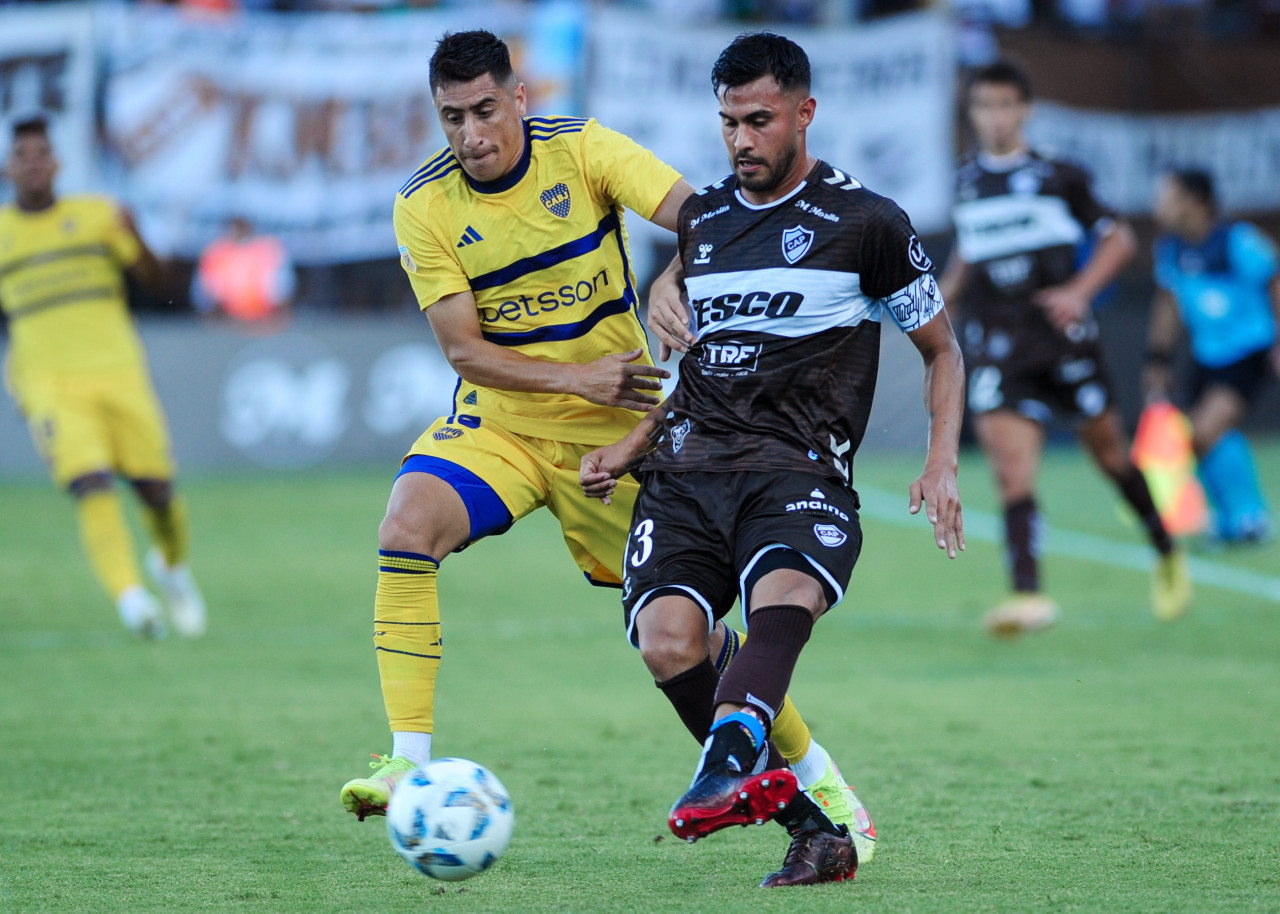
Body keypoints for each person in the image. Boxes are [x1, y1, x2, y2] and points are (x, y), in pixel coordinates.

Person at [341, 30, 876, 862]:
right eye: (452, 118)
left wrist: (669, 278)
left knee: (685, 639)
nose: (471, 135)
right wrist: (574, 380)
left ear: (519, 98)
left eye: (485, 110)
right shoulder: (425, 204)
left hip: (623, 432)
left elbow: (707, 217)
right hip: (504, 426)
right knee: (406, 526)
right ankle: (408, 763)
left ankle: (812, 773)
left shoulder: (582, 150)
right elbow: (463, 351)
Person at [582, 32, 964, 887]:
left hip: (797, 470)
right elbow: (700, 360)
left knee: (784, 590)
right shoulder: (707, 220)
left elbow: (943, 351)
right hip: (686, 470)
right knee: (666, 640)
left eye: (758, 121)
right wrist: (631, 442)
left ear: (804, 112)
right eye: (727, 123)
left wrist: (940, 462)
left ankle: (721, 770)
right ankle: (816, 832)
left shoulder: (869, 224)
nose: (741, 141)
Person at [937, 61, 1192, 634]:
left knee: (1110, 457)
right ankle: (1027, 595)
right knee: (1011, 471)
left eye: (1006, 105)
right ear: (973, 112)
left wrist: (1079, 291)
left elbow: (1120, 238)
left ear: (1024, 109)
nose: (995, 117)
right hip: (998, 343)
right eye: (985, 106)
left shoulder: (1058, 174)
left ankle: (1165, 547)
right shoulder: (967, 181)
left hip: (1062, 340)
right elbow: (968, 256)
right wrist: (938, 303)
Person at [0, 117, 206, 639]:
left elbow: (158, 285)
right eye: (22, 154)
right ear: (9, 166)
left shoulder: (97, 217)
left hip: (118, 375)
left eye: (42, 153)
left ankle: (172, 568)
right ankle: (131, 598)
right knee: (89, 483)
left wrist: (136, 236)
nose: (33, 163)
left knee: (156, 491)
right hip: (49, 384)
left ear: (57, 163)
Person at [1146, 168, 1279, 545]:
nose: (1160, 205)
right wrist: (1157, 360)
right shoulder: (1171, 249)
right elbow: (1167, 306)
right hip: (1207, 356)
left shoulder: (1238, 240)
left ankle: (1250, 516)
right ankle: (1232, 518)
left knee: (1206, 429)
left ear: (1195, 201)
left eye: (1168, 196)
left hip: (1247, 351)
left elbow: (1274, 280)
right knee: (1198, 437)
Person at [191, 217, 295, 324]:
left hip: (264, 317)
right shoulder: (216, 252)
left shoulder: (267, 250)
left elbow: (280, 287)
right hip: (226, 318)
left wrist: (278, 316)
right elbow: (206, 291)